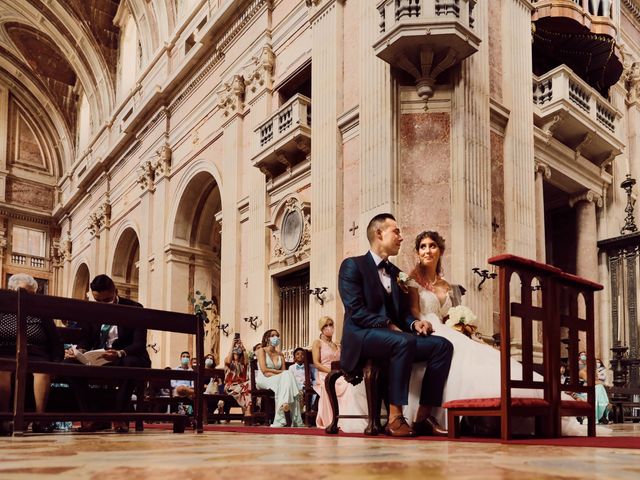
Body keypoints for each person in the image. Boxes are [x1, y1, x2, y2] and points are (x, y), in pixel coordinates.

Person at [403, 230, 601, 436]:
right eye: (423, 247)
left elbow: (449, 316)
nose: (427, 251)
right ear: (418, 252)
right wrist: (423, 323)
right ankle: (439, 415)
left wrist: (463, 325)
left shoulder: (447, 286)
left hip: (447, 328)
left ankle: (524, 398)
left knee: (486, 352)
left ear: (440, 250)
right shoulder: (412, 279)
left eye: (432, 246)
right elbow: (415, 311)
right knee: (462, 353)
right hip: (427, 327)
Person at [338, 213, 453, 437]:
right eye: (396, 231)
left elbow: (402, 315)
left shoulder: (397, 274)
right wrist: (389, 325)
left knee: (442, 346)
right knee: (403, 342)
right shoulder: (353, 266)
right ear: (379, 234)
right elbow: (355, 311)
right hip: (362, 336)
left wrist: (415, 324)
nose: (401, 237)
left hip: (397, 338)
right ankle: (395, 416)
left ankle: (423, 416)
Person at [65, 274, 151, 433]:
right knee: (68, 365)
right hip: (99, 356)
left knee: (129, 365)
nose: (102, 305)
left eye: (107, 301)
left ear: (115, 291)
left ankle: (120, 417)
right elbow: (86, 338)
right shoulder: (92, 310)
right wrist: (79, 351)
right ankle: (90, 416)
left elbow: (139, 344)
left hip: (126, 355)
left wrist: (119, 353)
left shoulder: (134, 308)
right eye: (98, 301)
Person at [0, 273, 63, 434]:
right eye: (19, 292)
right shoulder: (2, 310)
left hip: (36, 353)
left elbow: (55, 341)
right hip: (5, 351)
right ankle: (4, 419)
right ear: (10, 290)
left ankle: (40, 419)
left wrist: (56, 362)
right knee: (3, 371)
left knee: (42, 371)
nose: (23, 297)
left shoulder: (40, 313)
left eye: (28, 294)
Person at [311, 316, 368, 430]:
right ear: (321, 328)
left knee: (353, 382)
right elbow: (316, 363)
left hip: (339, 373)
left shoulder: (337, 344)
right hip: (325, 373)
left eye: (331, 325)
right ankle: (340, 418)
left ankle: (355, 416)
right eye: (326, 325)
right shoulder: (317, 343)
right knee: (347, 384)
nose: (329, 328)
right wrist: (332, 372)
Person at [255, 329, 303, 427]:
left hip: (277, 378)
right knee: (287, 375)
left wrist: (281, 373)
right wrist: (281, 373)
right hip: (264, 378)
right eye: (272, 335)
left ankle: (284, 405)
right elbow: (264, 370)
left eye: (277, 335)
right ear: (267, 338)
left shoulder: (280, 354)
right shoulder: (261, 351)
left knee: (287, 376)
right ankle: (291, 417)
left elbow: (285, 372)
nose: (275, 337)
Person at [223, 336, 251, 418]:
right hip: (231, 386)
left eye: (238, 349)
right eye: (235, 349)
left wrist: (243, 348)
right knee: (246, 388)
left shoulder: (242, 363)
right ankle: (247, 410)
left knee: (248, 387)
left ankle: (248, 410)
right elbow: (228, 361)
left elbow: (247, 361)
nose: (237, 349)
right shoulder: (228, 361)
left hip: (242, 386)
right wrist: (232, 344)